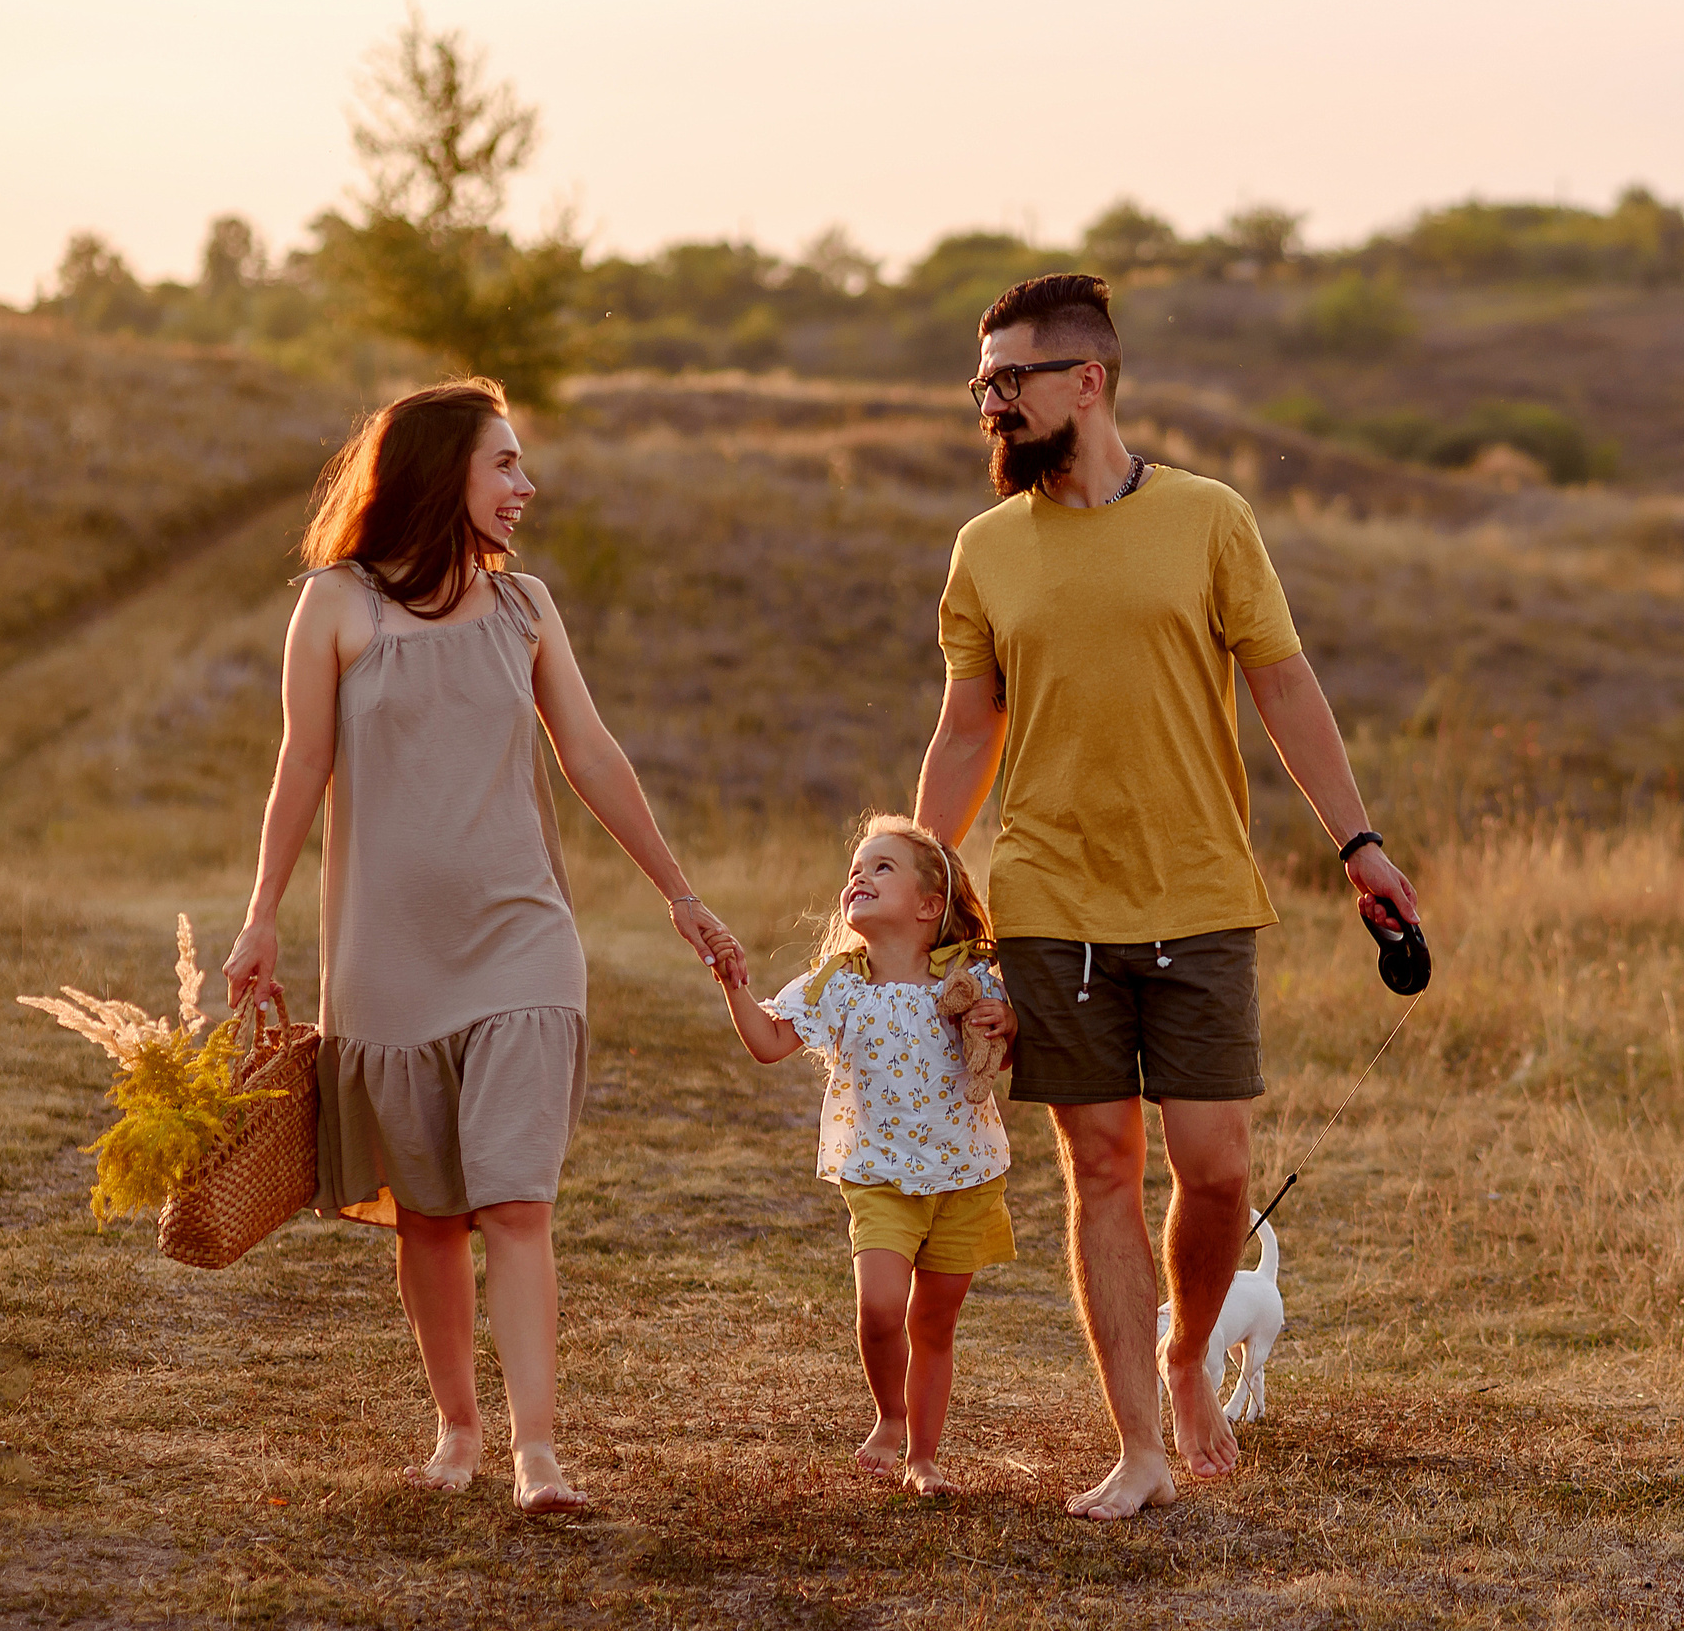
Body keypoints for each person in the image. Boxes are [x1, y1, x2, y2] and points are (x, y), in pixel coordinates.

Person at [913, 274, 1422, 1521]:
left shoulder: (1208, 519)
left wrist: (1357, 839)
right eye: (980, 381)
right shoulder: (985, 550)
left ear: (1084, 382)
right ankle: (1136, 1442)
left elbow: (1285, 687)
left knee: (1213, 1164)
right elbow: (965, 729)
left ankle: (1188, 1350)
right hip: (1048, 898)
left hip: (1197, 892)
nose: (989, 400)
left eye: (1008, 378)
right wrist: (920, 884)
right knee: (1100, 1167)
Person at [220, 378, 743, 1512]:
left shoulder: (528, 609)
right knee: (433, 1210)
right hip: (386, 953)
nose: (525, 486)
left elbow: (593, 757)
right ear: (440, 469)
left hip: (523, 939)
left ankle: (536, 1450)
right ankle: (457, 1424)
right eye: (504, 463)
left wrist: (680, 894)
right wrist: (263, 912)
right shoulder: (337, 606)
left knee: (515, 1197)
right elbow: (300, 764)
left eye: (523, 465)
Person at [702, 815, 1017, 1496]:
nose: (859, 877)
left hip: (964, 1176)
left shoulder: (969, 975)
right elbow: (768, 1039)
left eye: (881, 867)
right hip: (878, 1176)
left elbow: (1010, 1040)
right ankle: (889, 1415)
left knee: (934, 1321)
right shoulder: (839, 982)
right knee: (880, 1309)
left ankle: (924, 1456)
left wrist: (1007, 1025)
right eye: (855, 869)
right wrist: (733, 983)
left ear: (929, 905)